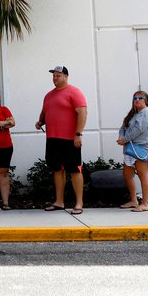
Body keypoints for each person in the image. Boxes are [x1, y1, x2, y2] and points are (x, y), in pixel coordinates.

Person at [35, 65, 88, 215]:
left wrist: (78, 134)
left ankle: (79, 203)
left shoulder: (74, 92)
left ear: (66, 76)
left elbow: (82, 113)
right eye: (54, 76)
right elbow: (45, 111)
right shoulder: (49, 95)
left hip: (70, 139)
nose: (55, 78)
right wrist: (40, 122)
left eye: (58, 75)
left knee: (75, 170)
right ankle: (59, 202)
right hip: (53, 138)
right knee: (57, 170)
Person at [117, 91, 148, 212]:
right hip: (130, 148)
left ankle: (144, 203)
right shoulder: (133, 114)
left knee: (142, 174)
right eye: (135, 98)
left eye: (140, 98)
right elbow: (123, 127)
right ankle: (134, 200)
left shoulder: (147, 112)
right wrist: (121, 137)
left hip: (141, 148)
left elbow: (138, 129)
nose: (137, 100)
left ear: (146, 100)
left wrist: (125, 139)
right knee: (127, 175)